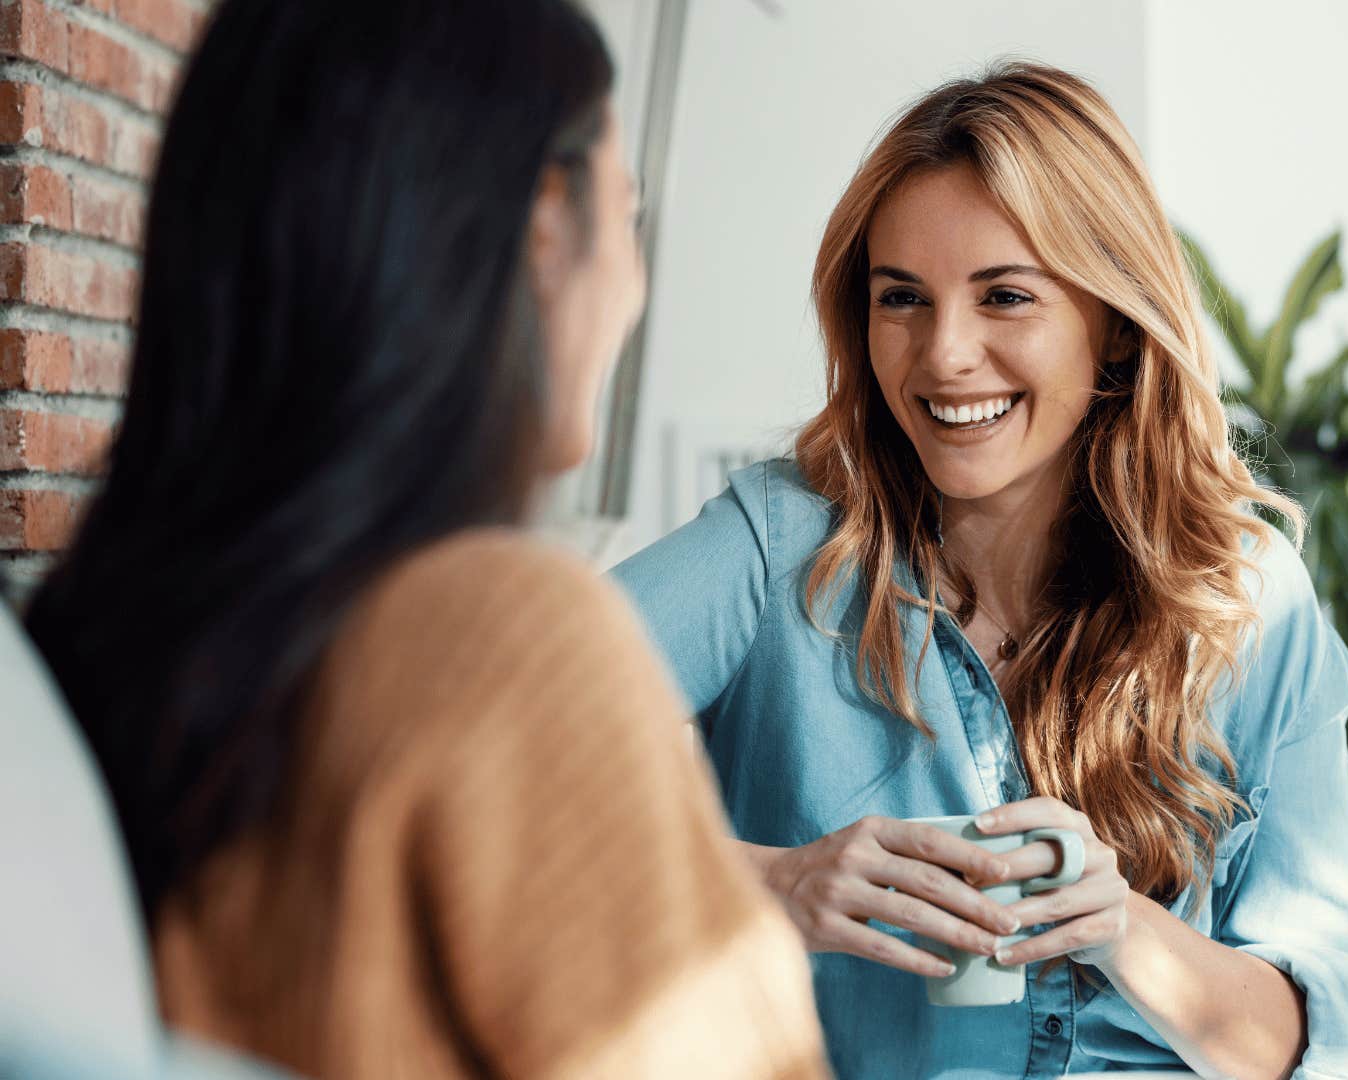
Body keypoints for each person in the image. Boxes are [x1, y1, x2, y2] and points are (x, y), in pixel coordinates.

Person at [25, 1, 827, 1076]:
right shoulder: (503, 633)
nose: (631, 288)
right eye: (628, 215)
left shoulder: (113, 631)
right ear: (545, 224)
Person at [613, 61, 1348, 1080]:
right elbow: (475, 744)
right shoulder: (783, 546)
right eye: (900, 298)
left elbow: (1313, 1046)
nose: (943, 353)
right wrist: (770, 885)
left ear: (1113, 322)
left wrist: (1120, 926)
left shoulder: (1244, 597)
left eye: (1005, 297)